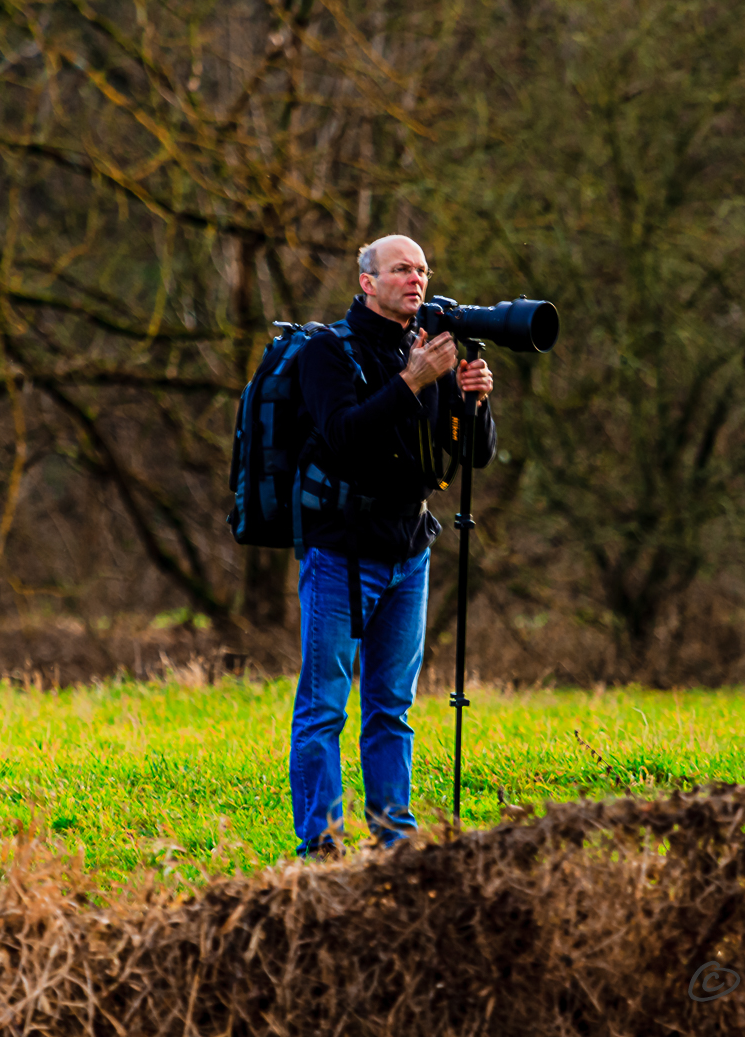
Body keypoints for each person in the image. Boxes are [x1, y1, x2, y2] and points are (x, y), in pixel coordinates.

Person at [288, 234, 495, 858]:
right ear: (366, 282)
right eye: (401, 269)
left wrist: (473, 402)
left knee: (392, 708)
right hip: (341, 551)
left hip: (410, 552)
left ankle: (394, 848)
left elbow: (473, 456)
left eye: (423, 270)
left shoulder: (424, 351)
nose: (417, 279)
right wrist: (413, 380)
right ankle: (321, 850)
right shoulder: (327, 353)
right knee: (325, 707)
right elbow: (345, 436)